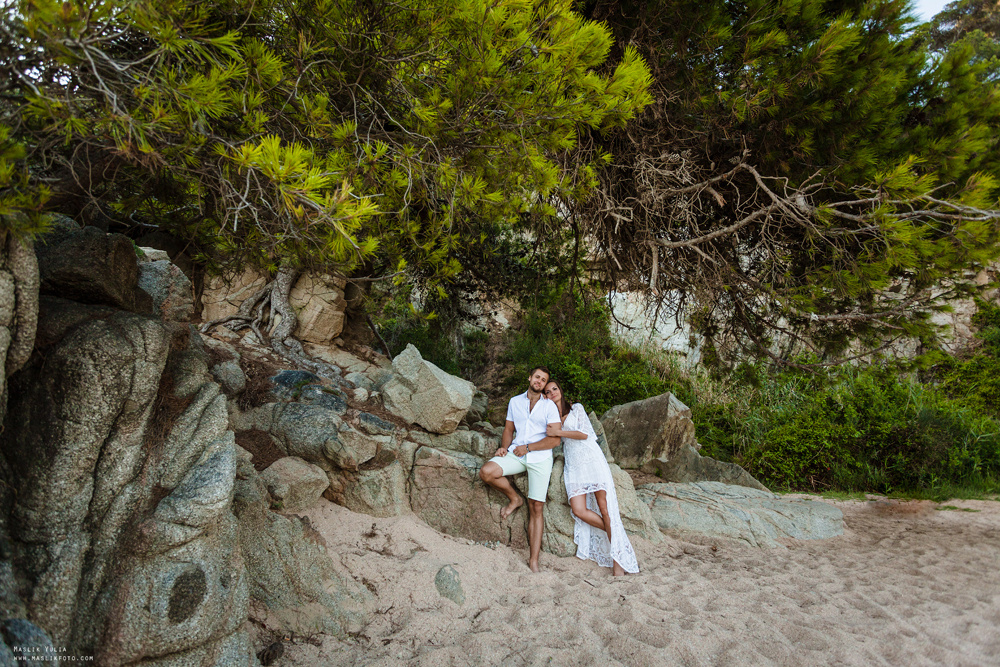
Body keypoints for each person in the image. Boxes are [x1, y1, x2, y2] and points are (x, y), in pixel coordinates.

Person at [544, 380, 639, 576]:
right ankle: (614, 533)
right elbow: (550, 438)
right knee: (578, 510)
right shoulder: (550, 416)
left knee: (604, 507)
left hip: (591, 459)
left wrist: (559, 431)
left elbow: (584, 434)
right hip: (574, 466)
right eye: (548, 391)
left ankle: (617, 564)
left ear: (560, 390)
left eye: (555, 388)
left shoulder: (576, 408)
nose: (552, 392)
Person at [479, 366, 562, 572]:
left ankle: (533, 560)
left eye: (543, 380)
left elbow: (555, 440)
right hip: (516, 453)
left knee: (536, 507)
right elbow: (509, 429)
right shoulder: (515, 401)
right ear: (530, 378)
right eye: (537, 377)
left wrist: (529, 447)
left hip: (540, 457)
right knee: (487, 472)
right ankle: (514, 498)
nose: (540, 382)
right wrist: (504, 447)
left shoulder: (549, 406)